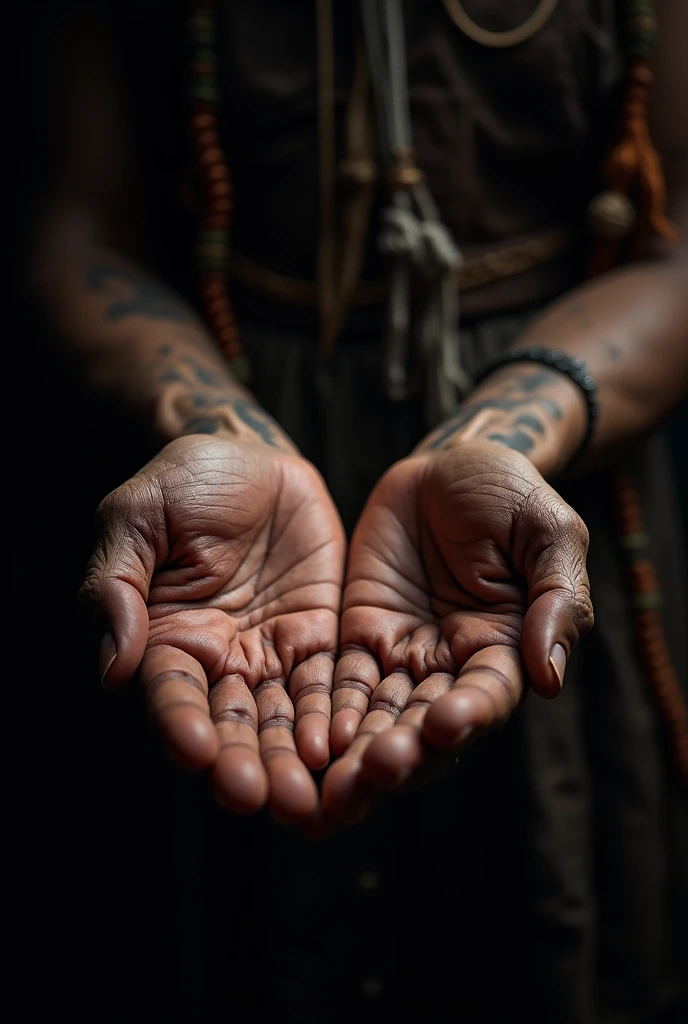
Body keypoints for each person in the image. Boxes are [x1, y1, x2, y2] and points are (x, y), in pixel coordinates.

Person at [30, 0, 687, 1020]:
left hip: (540, 478)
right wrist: (216, 426)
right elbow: (76, 227)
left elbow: (674, 244)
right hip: (222, 473)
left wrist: (504, 440)